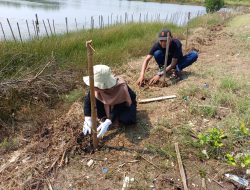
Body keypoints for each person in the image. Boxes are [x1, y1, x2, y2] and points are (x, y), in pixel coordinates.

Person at [83, 64, 137, 138]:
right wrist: (87, 118)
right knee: (96, 100)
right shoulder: (96, 89)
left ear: (103, 85)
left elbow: (121, 105)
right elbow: (88, 100)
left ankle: (113, 118)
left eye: (95, 86)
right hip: (107, 105)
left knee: (127, 119)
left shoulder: (121, 88)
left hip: (123, 105)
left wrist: (110, 119)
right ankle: (104, 117)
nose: (93, 87)